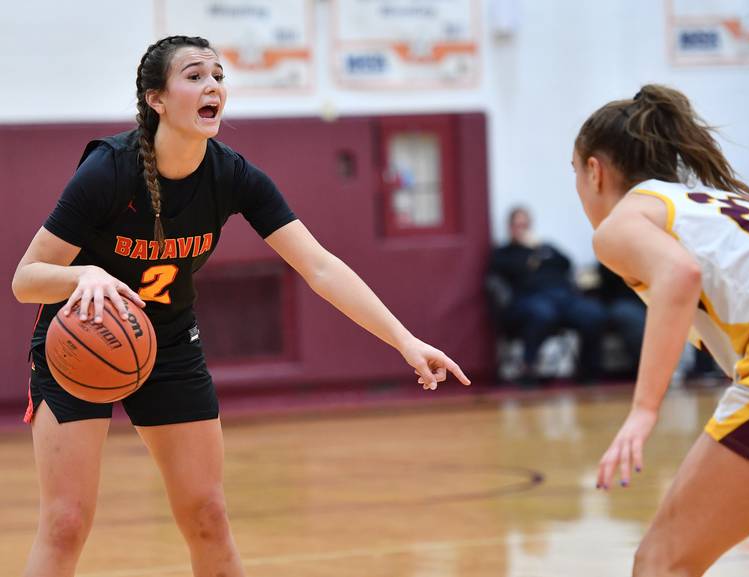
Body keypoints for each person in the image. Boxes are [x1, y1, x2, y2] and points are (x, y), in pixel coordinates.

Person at [11, 35, 470, 577]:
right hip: (79, 342)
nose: (212, 86)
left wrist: (405, 340)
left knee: (208, 515)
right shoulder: (109, 171)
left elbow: (319, 266)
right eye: (195, 76)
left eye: (219, 76)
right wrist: (85, 272)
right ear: (157, 99)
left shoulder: (232, 175)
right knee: (65, 524)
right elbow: (26, 280)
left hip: (169, 345)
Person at [572, 83, 749, 576]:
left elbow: (678, 276)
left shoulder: (623, 221)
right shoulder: (709, 203)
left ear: (594, 171)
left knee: (661, 564)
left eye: (574, 173)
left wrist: (643, 410)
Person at [486, 206, 607, 383]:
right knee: (542, 314)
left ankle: (589, 370)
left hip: (562, 297)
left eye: (525, 225)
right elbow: (505, 272)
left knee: (593, 313)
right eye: (517, 225)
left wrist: (539, 248)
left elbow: (566, 263)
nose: (522, 229)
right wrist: (530, 256)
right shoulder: (504, 253)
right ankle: (529, 369)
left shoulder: (546, 247)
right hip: (529, 299)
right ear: (510, 227)